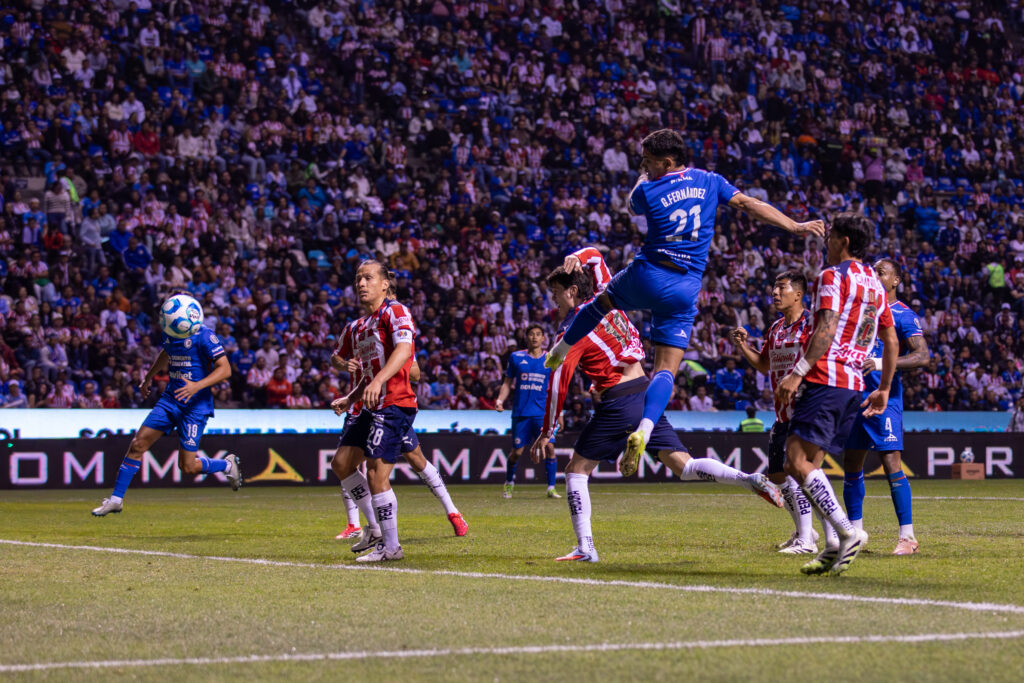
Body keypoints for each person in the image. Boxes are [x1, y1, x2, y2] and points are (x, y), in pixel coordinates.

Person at [545, 129, 824, 478]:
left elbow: (632, 204)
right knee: (665, 369)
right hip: (684, 287)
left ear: (666, 162)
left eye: (648, 162)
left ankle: (562, 348)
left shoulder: (648, 188)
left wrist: (644, 178)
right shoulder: (710, 180)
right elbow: (750, 204)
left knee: (597, 305)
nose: (643, 167)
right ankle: (645, 428)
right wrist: (794, 226)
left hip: (647, 273)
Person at [534, 246, 783, 563]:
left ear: (571, 291)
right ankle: (747, 479)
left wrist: (548, 431)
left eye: (555, 293)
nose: (552, 301)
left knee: (576, 471)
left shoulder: (573, 327)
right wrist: (579, 257)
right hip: (645, 392)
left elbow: (558, 381)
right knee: (685, 467)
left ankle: (586, 548)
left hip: (618, 401)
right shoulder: (609, 299)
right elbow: (595, 255)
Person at [775, 213, 898, 575]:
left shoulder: (833, 275)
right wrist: (885, 389)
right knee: (806, 464)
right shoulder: (876, 285)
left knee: (795, 460)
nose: (825, 243)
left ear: (843, 241)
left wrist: (797, 374)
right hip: (855, 384)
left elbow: (827, 326)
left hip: (827, 377)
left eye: (830, 238)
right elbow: (890, 340)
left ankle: (847, 532)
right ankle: (831, 544)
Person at [92, 297, 241, 516]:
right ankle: (116, 500)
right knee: (137, 444)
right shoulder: (171, 332)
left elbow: (225, 369)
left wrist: (196, 386)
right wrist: (149, 377)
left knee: (188, 467)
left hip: (194, 406)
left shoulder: (205, 336)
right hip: (170, 400)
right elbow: (166, 353)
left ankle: (227, 465)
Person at [329, 260, 417, 562]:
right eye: (358, 279)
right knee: (341, 464)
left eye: (368, 278)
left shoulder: (396, 312)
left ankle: (391, 547)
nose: (361, 284)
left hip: (395, 402)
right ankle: (377, 529)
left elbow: (404, 351)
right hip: (369, 403)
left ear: (384, 284)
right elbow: (368, 373)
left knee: (377, 473)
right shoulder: (363, 326)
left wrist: (379, 381)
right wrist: (349, 396)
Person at [842, 258, 931, 555]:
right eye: (872, 272)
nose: (875, 276)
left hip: (886, 398)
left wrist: (882, 363)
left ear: (895, 281)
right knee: (852, 465)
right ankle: (855, 533)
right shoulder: (861, 313)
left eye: (881, 272)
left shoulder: (903, 314)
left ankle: (908, 537)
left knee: (891, 463)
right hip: (855, 398)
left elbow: (922, 356)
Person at [331, 353, 467, 539]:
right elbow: (336, 359)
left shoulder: (398, 340)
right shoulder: (358, 332)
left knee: (416, 460)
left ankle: (453, 513)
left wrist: (390, 365)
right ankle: (358, 525)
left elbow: (415, 374)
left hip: (390, 409)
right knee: (344, 464)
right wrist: (344, 364)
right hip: (359, 411)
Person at [731, 270, 818, 554]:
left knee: (796, 474)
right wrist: (743, 345)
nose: (775, 293)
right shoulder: (777, 328)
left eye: (781, 288)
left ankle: (807, 539)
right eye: (774, 288)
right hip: (781, 413)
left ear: (798, 294)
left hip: (805, 409)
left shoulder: (812, 325)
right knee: (779, 476)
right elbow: (764, 364)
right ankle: (805, 531)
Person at [496, 324, 559, 498]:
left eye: (538, 334)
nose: (535, 337)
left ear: (543, 338)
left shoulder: (551, 358)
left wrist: (558, 411)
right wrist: (500, 400)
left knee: (551, 447)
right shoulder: (516, 357)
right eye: (531, 334)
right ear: (526, 337)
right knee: (517, 452)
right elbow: (507, 383)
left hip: (542, 414)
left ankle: (551, 488)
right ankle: (509, 482)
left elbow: (556, 387)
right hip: (521, 413)